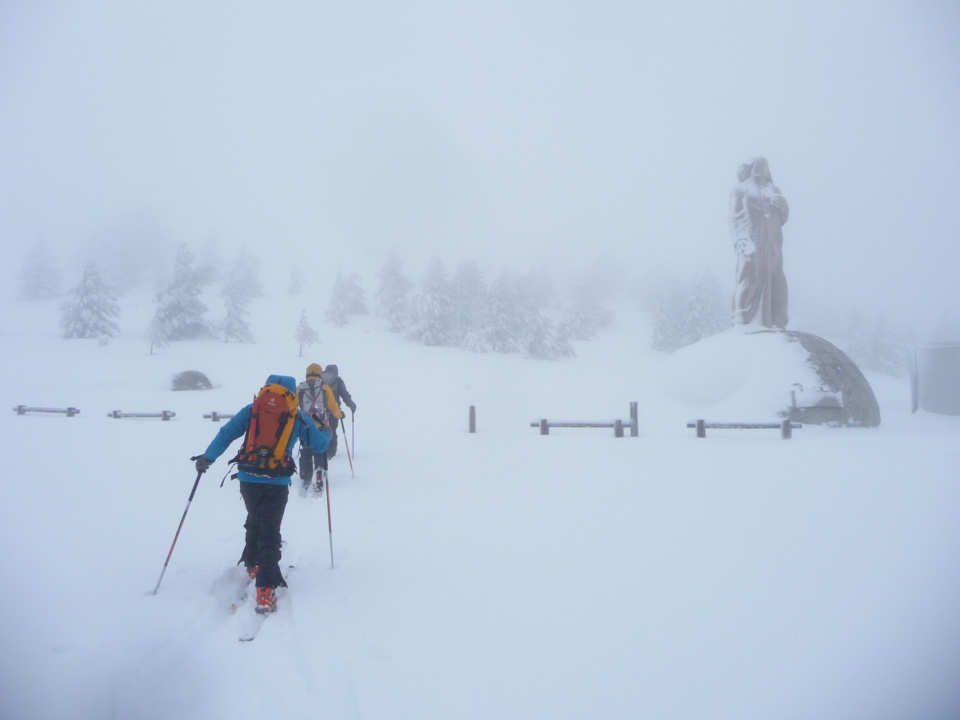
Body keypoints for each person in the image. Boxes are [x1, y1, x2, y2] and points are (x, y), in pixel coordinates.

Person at [194, 374, 330, 613]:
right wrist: (323, 426)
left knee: (254, 518)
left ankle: (252, 564)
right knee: (271, 530)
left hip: (248, 479)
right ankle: (265, 589)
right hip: (277, 482)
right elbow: (320, 446)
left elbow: (226, 434)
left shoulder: (252, 410)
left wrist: (208, 458)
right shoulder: (296, 416)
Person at [729, 156, 790, 328]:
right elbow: (735, 217)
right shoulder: (740, 190)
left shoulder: (774, 189)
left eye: (763, 170)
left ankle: (776, 319)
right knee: (750, 276)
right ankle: (741, 318)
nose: (760, 174)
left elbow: (782, 219)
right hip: (751, 240)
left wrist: (782, 204)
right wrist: (740, 239)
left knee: (775, 278)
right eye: (757, 170)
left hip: (773, 243)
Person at [297, 364, 332, 495]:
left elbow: (293, 405)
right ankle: (319, 471)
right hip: (322, 426)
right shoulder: (325, 388)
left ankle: (305, 477)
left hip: (305, 426)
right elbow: (332, 406)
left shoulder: (300, 389)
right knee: (320, 450)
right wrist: (340, 414)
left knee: (306, 450)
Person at [320, 363, 356, 459]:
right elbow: (344, 394)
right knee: (332, 430)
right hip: (334, 410)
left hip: (319, 410)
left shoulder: (319, 379)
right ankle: (331, 451)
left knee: (320, 429)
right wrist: (351, 405)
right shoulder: (337, 380)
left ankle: (320, 448)